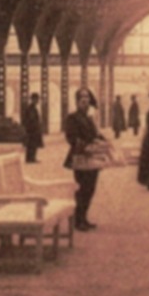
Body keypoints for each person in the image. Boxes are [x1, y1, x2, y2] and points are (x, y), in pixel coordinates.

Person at [63, 88, 105, 231]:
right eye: (81, 97)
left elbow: (96, 135)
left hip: (92, 157)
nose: (84, 99)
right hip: (80, 158)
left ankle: (83, 218)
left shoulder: (90, 118)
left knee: (91, 188)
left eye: (87, 97)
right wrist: (84, 146)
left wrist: (104, 142)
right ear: (77, 101)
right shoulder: (72, 118)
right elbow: (71, 137)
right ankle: (78, 219)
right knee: (82, 188)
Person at [21, 91, 44, 164]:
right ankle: (30, 158)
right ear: (33, 99)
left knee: (33, 144)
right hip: (31, 130)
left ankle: (32, 158)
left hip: (34, 129)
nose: (37, 101)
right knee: (31, 144)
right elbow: (30, 119)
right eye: (36, 99)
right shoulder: (30, 108)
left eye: (37, 99)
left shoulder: (33, 108)